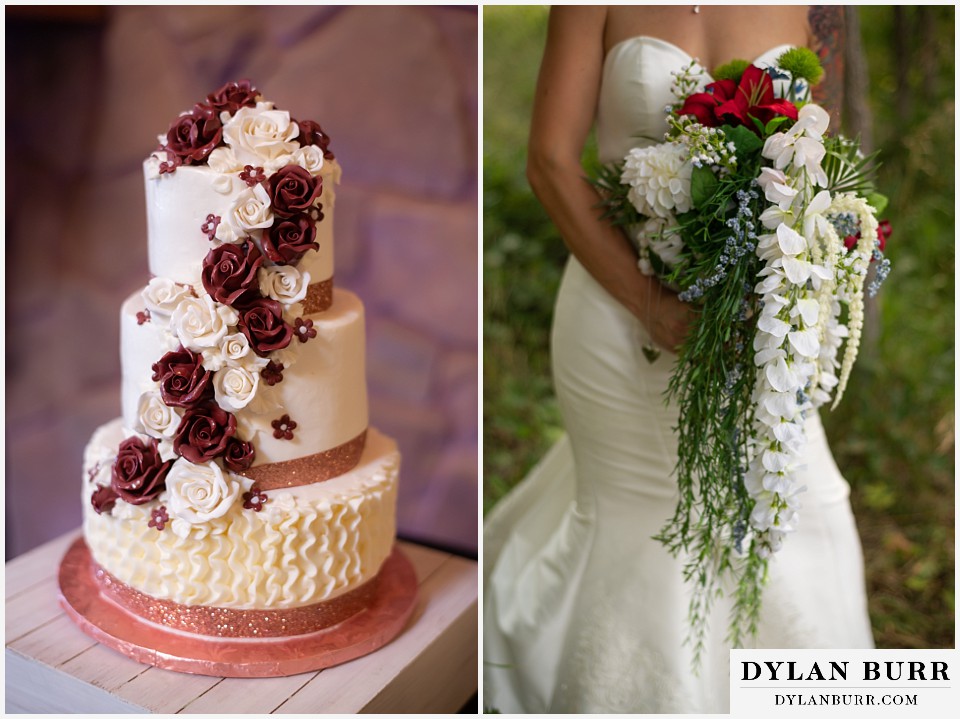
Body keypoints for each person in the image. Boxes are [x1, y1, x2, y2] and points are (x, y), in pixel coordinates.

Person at [483, 6, 874, 713]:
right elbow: (548, 161)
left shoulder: (820, 8)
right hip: (614, 311)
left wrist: (789, 285)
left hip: (753, 318)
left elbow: (824, 164)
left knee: (798, 503)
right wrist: (651, 304)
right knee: (645, 518)